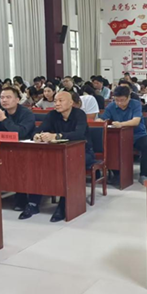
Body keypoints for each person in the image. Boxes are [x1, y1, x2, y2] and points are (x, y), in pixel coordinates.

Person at [31, 91, 95, 222]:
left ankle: (63, 205)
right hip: (60, 153)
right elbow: (39, 129)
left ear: (71, 103)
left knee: (67, 167)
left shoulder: (79, 114)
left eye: (61, 101)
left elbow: (79, 134)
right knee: (38, 165)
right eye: (55, 101)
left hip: (83, 152)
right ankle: (33, 203)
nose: (57, 104)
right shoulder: (52, 115)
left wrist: (57, 136)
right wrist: (37, 136)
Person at [97, 86, 147, 184]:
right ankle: (117, 174)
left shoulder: (136, 104)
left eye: (122, 100)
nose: (119, 103)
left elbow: (136, 121)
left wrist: (121, 124)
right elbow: (103, 119)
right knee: (110, 147)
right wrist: (99, 121)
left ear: (129, 97)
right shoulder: (111, 106)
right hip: (119, 137)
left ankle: (143, 174)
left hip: (137, 135)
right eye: (117, 100)